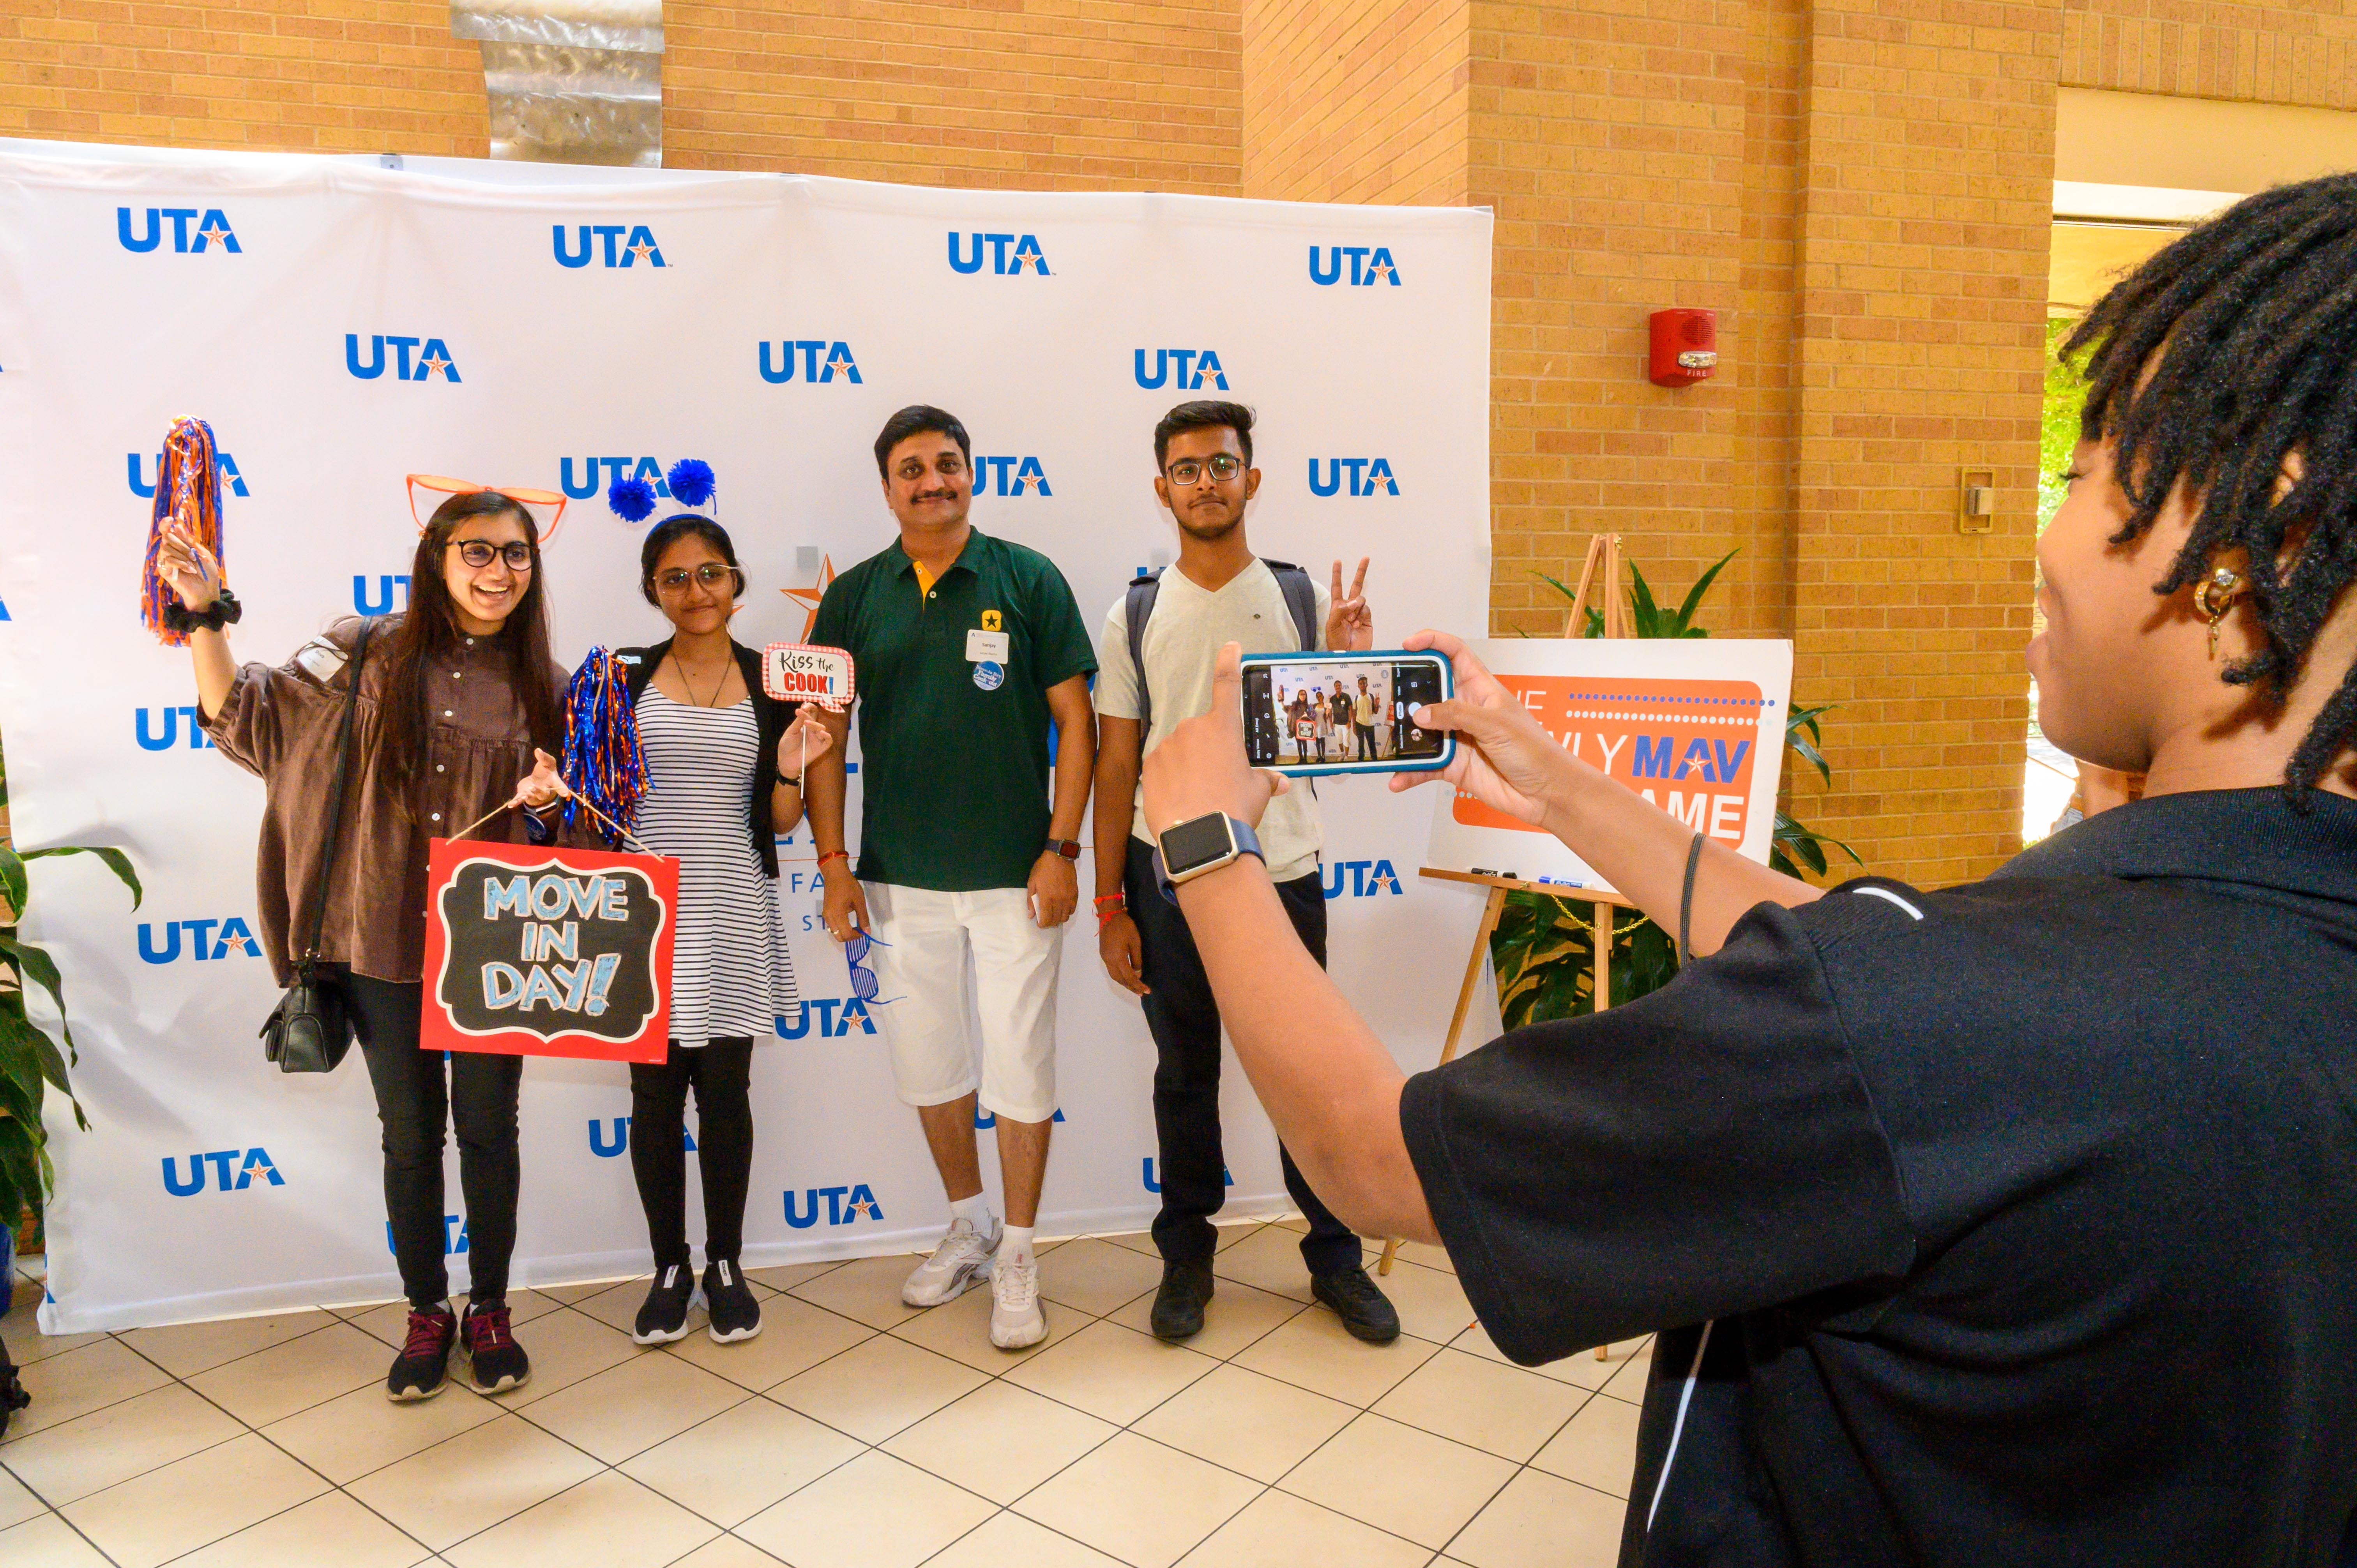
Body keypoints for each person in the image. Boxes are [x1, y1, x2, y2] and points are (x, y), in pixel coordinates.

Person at [1134, 174, 2357, 1566]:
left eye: (2080, 476)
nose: (2039, 534)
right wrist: (1542, 771)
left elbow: (1368, 1155)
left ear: (2249, 545)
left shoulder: (1926, 1029)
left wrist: (1203, 842)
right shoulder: (2161, 973)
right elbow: (1878, 958)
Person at [155, 485, 573, 1402]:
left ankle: (491, 1307)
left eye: (517, 553)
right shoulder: (360, 648)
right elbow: (249, 719)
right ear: (435, 556)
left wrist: (548, 801)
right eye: (478, 550)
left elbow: (564, 840)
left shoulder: (544, 678)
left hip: (493, 944)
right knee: (412, 1136)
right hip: (377, 930)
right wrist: (204, 616)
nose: (499, 570)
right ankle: (428, 1311)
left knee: (491, 1134)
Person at [1092, 399, 1398, 1344]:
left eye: (1222, 465)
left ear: (1250, 479)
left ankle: (1335, 1257)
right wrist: (1111, 899)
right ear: (1163, 488)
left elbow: (1340, 746)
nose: (1206, 483)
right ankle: (1187, 1255)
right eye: (1187, 469)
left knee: (1305, 1072)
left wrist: (1345, 665)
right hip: (1167, 877)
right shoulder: (1135, 610)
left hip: (1284, 868)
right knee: (1184, 1072)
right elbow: (1114, 763)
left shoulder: (1301, 597)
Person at [804, 405, 1097, 1351]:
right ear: (887, 487)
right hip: (898, 878)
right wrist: (835, 863)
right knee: (928, 1064)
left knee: (1020, 1066)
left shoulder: (1029, 577)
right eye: (911, 469)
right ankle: (968, 1223)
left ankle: (1019, 1248)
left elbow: (1079, 723)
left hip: (1018, 876)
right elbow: (824, 739)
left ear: (972, 472)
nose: (933, 481)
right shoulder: (852, 596)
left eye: (947, 464)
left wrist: (1061, 848)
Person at [608, 513, 836, 1346]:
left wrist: (793, 763)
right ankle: (670, 1266)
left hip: (734, 902)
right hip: (645, 914)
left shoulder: (774, 682)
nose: (695, 591)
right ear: (652, 591)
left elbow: (779, 823)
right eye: (675, 577)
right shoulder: (619, 677)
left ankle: (727, 1263)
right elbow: (596, 795)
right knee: (654, 1099)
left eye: (710, 573)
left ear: (736, 582)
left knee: (727, 1094)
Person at [1352, 673, 1380, 761]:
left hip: (1370, 724)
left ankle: (1374, 759)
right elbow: (1354, 713)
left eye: (1364, 683)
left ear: (1367, 685)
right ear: (1358, 686)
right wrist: (1354, 726)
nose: (1363, 685)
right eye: (1361, 684)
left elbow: (1375, 712)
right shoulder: (1356, 699)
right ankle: (1361, 759)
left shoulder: (1371, 697)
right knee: (1361, 743)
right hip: (1359, 723)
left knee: (1372, 743)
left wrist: (1376, 705)